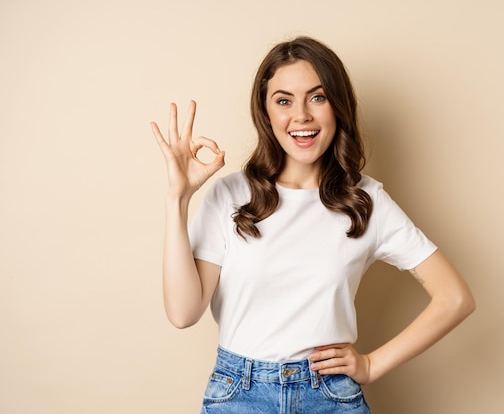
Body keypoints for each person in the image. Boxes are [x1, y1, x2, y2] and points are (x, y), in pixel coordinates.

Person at [151, 36, 475, 414]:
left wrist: (371, 365)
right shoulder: (230, 194)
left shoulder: (365, 200)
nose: (301, 115)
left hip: (331, 397)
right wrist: (178, 199)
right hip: (239, 394)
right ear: (266, 112)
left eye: (317, 97)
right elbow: (183, 313)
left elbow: (456, 298)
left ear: (338, 107)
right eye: (284, 100)